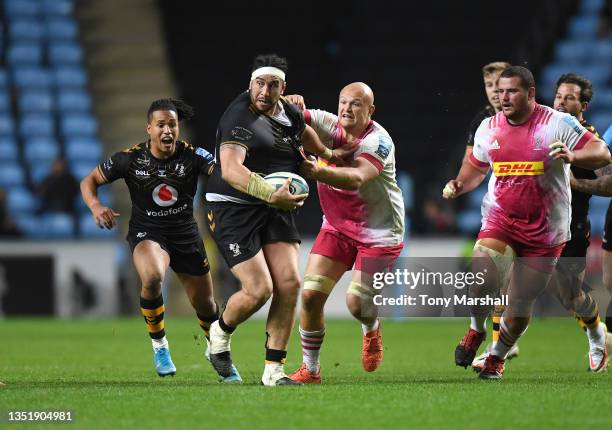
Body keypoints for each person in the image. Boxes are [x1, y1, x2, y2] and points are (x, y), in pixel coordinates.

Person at [443, 66, 610, 379]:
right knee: (481, 278)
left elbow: (602, 153)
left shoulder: (557, 123)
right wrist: (459, 184)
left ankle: (497, 357)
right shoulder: (488, 127)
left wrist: (574, 157)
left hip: (548, 229)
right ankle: (475, 329)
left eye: (512, 91)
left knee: (524, 303)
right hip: (501, 219)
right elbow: (476, 167)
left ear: (530, 93)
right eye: (500, 91)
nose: (503, 97)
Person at [205, 54, 351, 386]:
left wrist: (328, 155)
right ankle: (219, 333)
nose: (265, 91)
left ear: (282, 88)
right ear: (250, 84)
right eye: (259, 83)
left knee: (289, 284)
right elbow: (230, 170)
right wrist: (272, 195)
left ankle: (273, 371)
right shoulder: (239, 117)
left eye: (273, 85)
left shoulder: (290, 112)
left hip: (274, 203)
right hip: (233, 204)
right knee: (259, 289)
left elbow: (305, 134)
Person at [80, 98, 241, 382]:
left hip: (186, 235)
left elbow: (223, 175)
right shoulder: (129, 159)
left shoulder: (193, 156)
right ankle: (160, 347)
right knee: (153, 276)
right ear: (149, 128)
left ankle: (218, 351)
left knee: (205, 305)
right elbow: (88, 182)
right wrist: (96, 207)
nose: (168, 130)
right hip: (148, 232)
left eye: (173, 125)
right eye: (161, 125)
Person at [283, 82, 405, 384]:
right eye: (343, 102)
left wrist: (318, 171)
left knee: (356, 303)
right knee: (310, 296)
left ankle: (371, 327)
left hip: (380, 232)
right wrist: (287, 101)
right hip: (337, 225)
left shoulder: (379, 142)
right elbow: (284, 115)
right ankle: (310, 370)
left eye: (356, 104)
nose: (347, 109)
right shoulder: (328, 124)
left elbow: (356, 178)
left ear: (370, 110)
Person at [570, 122, 612, 350]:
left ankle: (602, 338)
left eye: (568, 97)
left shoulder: (593, 136)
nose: (561, 102)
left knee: (570, 294)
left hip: (573, 223)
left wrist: (575, 182)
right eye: (558, 96)